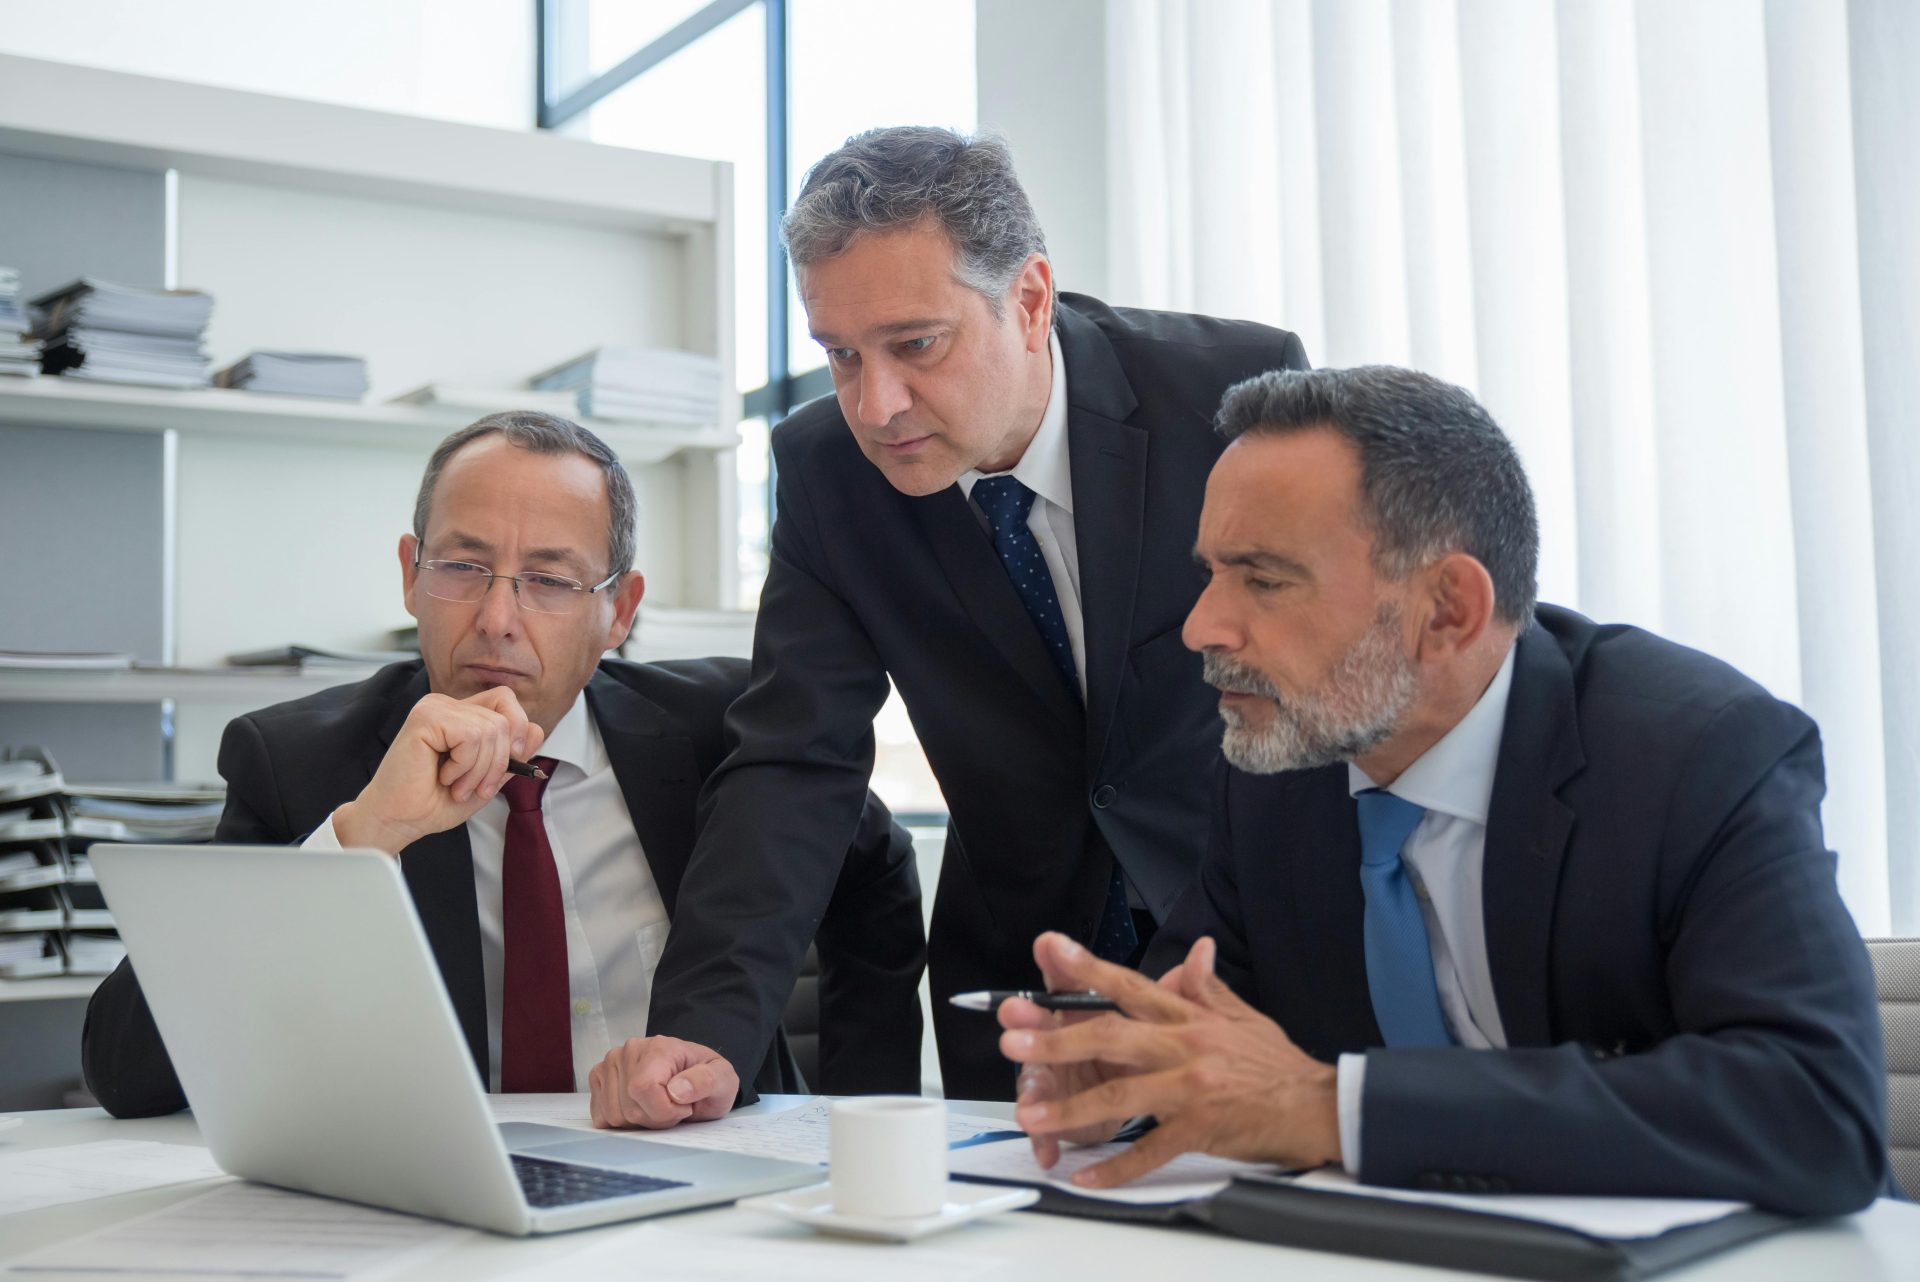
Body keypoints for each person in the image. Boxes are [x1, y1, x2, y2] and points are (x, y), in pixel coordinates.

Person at [997, 366, 1891, 1215]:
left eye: (1264, 580)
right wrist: (1115, 1077)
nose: (1201, 627)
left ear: (1449, 610)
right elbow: (1204, 1036)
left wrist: (1330, 1108)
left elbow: (1817, 1108)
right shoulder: (1276, 768)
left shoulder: (1698, 753)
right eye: (1210, 573)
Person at [642, 126, 1312, 1101]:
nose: (877, 404)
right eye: (840, 355)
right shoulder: (830, 472)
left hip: (1258, 961)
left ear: (1029, 300)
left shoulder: (1229, 398)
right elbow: (794, 762)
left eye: (916, 345)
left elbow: (1338, 689)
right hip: (1020, 991)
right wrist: (704, 1035)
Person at [82, 412, 925, 1125]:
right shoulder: (302, 761)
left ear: (619, 612)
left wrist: (849, 1119)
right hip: (448, 1199)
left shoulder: (725, 732)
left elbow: (876, 875)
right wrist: (369, 832)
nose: (497, 620)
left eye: (550, 581)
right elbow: (125, 1072)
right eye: (462, 568)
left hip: (703, 1180)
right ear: (411, 576)